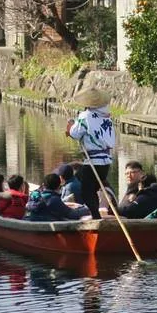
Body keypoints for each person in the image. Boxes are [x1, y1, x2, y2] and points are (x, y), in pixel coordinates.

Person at [66, 88, 116, 218]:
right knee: (88, 185)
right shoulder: (107, 117)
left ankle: (96, 217)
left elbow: (75, 133)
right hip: (106, 161)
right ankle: (95, 214)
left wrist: (70, 125)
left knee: (86, 192)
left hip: (93, 161)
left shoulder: (86, 116)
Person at [26, 172, 90, 222]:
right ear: (58, 187)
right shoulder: (54, 200)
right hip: (48, 229)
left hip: (34, 221)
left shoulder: (34, 194)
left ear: (43, 185)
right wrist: (88, 209)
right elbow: (72, 214)